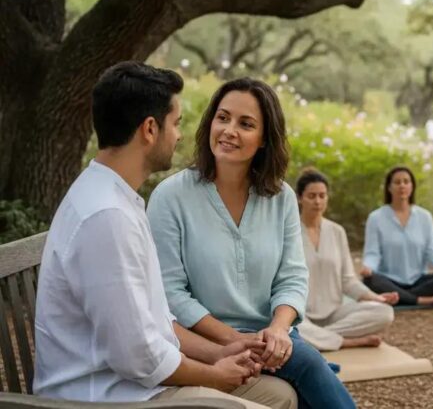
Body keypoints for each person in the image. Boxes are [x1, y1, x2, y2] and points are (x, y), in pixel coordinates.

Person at [34, 62, 297, 409]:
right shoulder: (107, 217)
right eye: (176, 124)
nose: (180, 136)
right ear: (149, 129)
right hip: (106, 397)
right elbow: (139, 357)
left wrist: (222, 351)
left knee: (280, 394)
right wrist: (215, 374)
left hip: (131, 383)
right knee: (273, 401)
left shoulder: (117, 198)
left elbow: (155, 324)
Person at [147, 78, 356, 408]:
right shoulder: (170, 197)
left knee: (305, 373)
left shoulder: (282, 197)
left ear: (264, 139)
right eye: (223, 117)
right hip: (201, 339)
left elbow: (292, 276)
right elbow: (170, 293)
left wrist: (278, 330)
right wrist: (235, 339)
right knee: (310, 370)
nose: (229, 130)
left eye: (245, 124)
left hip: (271, 336)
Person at [294, 169, 397, 351]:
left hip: (335, 314)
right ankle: (347, 341)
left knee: (385, 313)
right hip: (300, 315)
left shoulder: (337, 231)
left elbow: (348, 280)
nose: (317, 201)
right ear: (300, 198)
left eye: (322, 195)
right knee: (286, 326)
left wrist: (376, 298)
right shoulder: (289, 232)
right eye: (311, 196)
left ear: (327, 198)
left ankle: (316, 339)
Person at [361, 166, 433, 306]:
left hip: (418, 281)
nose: (402, 186)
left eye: (406, 181)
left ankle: (397, 297)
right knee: (370, 281)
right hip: (388, 279)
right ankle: (419, 300)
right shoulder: (376, 218)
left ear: (412, 187)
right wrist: (368, 267)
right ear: (389, 188)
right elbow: (372, 253)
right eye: (397, 182)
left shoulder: (425, 216)